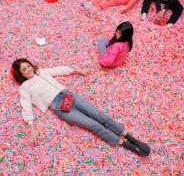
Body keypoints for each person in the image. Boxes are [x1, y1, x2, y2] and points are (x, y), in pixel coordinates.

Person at [11, 58, 151, 156]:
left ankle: (130, 137)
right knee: (93, 125)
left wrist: (77, 70)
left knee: (99, 115)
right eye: (24, 69)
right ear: (21, 74)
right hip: (60, 107)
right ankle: (124, 144)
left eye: (28, 66)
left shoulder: (41, 72)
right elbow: (26, 106)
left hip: (69, 95)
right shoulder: (24, 88)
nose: (28, 69)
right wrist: (31, 127)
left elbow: (58, 70)